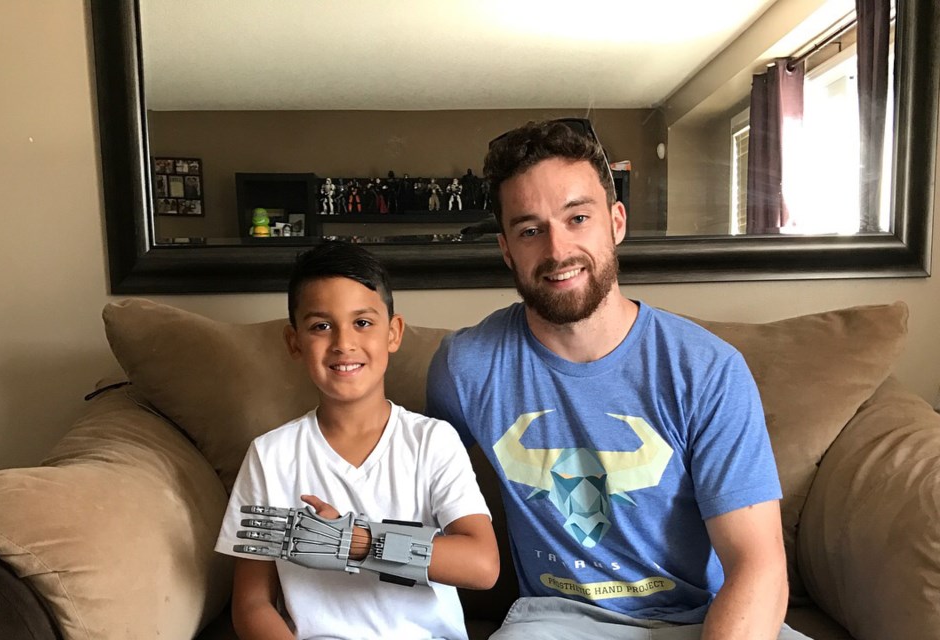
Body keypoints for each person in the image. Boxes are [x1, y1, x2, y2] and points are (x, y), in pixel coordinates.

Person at [426, 119, 806, 640]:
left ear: (616, 221)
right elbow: (414, 498)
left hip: (708, 621)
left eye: (577, 218)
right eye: (530, 229)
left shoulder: (708, 370)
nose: (558, 250)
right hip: (559, 624)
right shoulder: (464, 368)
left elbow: (757, 565)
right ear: (507, 249)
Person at [215, 241, 500, 640]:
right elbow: (251, 604)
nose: (343, 343)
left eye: (362, 323)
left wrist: (354, 541)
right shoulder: (271, 455)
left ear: (393, 333)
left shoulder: (432, 440)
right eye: (320, 326)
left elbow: (482, 565)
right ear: (294, 342)